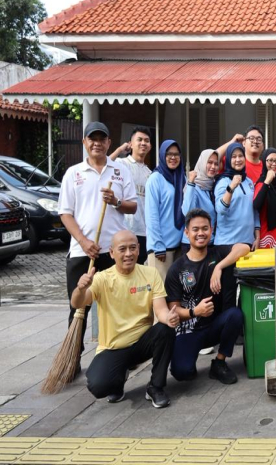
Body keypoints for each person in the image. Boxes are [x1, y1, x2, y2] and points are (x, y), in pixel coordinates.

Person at [59, 121, 138, 365]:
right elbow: (65, 213)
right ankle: (71, 360)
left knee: (114, 306)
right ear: (84, 142)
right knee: (78, 306)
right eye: (91, 139)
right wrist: (83, 242)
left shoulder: (120, 171)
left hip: (113, 253)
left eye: (101, 139)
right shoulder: (74, 173)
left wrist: (115, 201)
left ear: (108, 143)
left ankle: (116, 357)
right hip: (82, 252)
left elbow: (133, 205)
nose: (96, 143)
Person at [71, 230, 177, 408]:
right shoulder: (102, 279)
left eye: (132, 248)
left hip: (142, 342)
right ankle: (118, 379)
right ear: (112, 253)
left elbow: (161, 311)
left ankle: (155, 387)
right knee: (99, 387)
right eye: (122, 249)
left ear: (139, 249)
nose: (128, 253)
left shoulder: (150, 274)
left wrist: (169, 318)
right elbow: (77, 303)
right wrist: (81, 288)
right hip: (113, 348)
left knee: (165, 330)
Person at [166, 209, 249, 385]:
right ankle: (187, 357)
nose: (201, 233)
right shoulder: (177, 269)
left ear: (211, 230)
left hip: (214, 326)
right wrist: (195, 311)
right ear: (186, 233)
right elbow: (173, 311)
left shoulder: (217, 253)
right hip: (189, 330)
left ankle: (219, 363)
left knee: (235, 315)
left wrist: (219, 267)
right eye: (195, 229)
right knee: (182, 373)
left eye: (205, 228)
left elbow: (244, 248)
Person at [110, 126, 153, 264]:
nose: (143, 143)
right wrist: (119, 150)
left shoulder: (150, 173)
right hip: (124, 228)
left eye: (146, 140)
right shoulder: (122, 164)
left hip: (143, 231)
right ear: (131, 143)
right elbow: (104, 166)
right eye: (139, 140)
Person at [145, 140, 186, 279]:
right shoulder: (155, 179)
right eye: (169, 154)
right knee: (161, 294)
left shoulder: (181, 178)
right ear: (162, 155)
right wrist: (158, 246)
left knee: (176, 294)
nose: (173, 157)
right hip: (161, 249)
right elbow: (152, 215)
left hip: (180, 247)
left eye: (176, 154)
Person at [214, 142, 259, 248]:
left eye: (240, 156)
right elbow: (220, 209)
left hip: (248, 242)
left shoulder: (249, 182)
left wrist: (257, 237)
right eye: (234, 157)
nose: (238, 160)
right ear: (228, 160)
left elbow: (255, 209)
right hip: (227, 243)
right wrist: (231, 187)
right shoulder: (223, 182)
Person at [181, 149, 219, 253]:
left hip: (209, 242)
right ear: (202, 163)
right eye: (209, 162)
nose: (213, 167)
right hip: (192, 244)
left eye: (216, 164)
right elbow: (187, 211)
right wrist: (191, 183)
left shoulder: (213, 186)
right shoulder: (195, 185)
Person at [254, 148, 276, 249]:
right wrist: (267, 181)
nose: (274, 163)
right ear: (264, 162)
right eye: (270, 160)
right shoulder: (261, 182)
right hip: (265, 233)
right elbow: (256, 205)